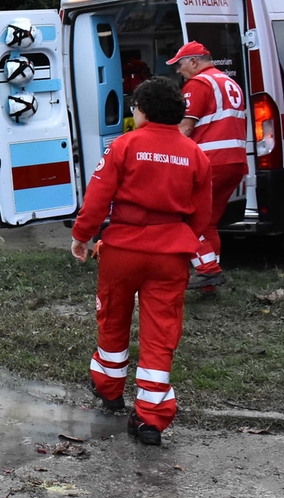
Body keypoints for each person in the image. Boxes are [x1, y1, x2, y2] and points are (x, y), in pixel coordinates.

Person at [71, 77, 212, 446]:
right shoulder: (195, 154)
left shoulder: (125, 145)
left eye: (135, 108)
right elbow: (203, 214)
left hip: (122, 250)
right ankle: (151, 419)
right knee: (161, 333)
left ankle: (109, 389)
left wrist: (82, 236)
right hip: (170, 256)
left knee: (112, 317)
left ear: (144, 111)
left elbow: (98, 196)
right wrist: (185, 241)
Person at [168, 41, 248, 293]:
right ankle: (208, 286)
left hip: (210, 162)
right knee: (209, 222)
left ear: (193, 61)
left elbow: (185, 128)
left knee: (186, 220)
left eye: (180, 65)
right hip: (234, 162)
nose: (179, 71)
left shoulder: (199, 84)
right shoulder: (229, 82)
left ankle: (208, 271)